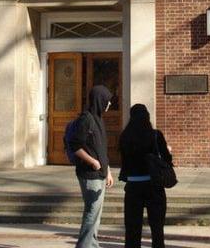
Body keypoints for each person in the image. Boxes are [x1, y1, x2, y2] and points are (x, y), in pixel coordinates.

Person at [119, 104, 172, 248]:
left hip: (133, 186)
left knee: (132, 229)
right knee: (157, 228)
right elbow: (167, 159)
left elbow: (124, 162)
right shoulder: (155, 135)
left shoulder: (125, 136)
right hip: (153, 185)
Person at [69, 85, 114, 248]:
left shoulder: (99, 120)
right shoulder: (86, 119)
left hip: (100, 173)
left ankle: (91, 243)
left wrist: (108, 171)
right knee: (92, 212)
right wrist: (92, 162)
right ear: (99, 100)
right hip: (89, 174)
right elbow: (75, 145)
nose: (109, 105)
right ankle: (86, 245)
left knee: (96, 213)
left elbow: (101, 149)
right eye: (107, 101)